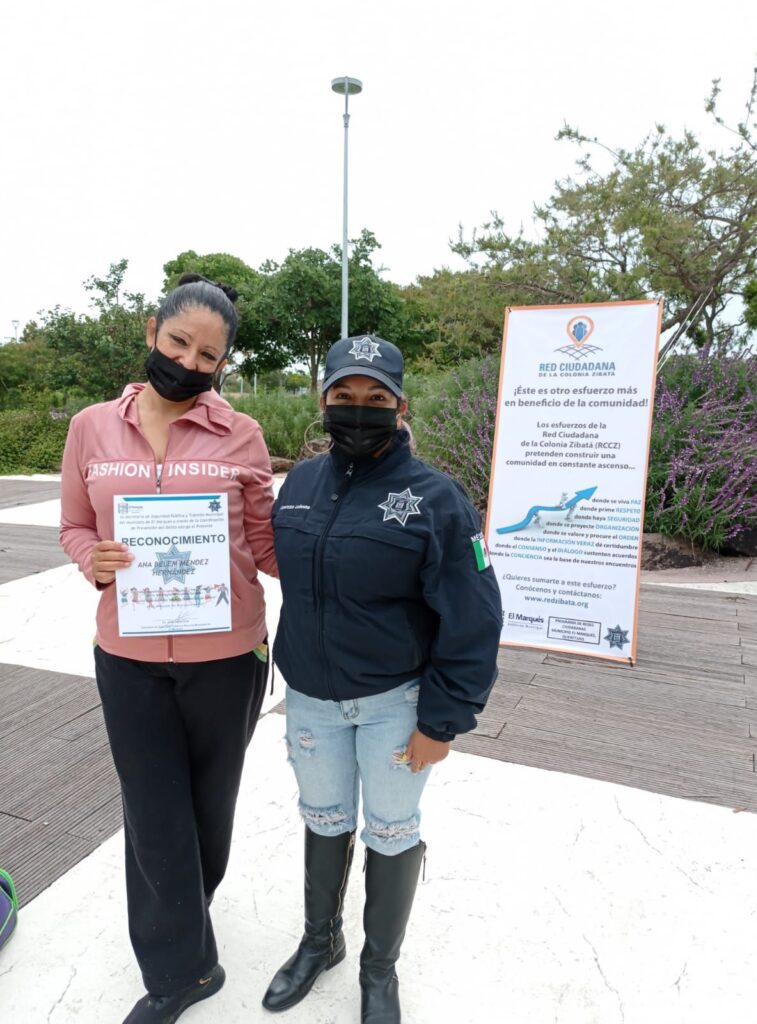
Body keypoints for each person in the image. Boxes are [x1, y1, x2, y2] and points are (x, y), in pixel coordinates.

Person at [263, 336, 503, 1023]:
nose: (358, 410)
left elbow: (474, 617)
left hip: (395, 705)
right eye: (344, 397)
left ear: (400, 406)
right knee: (324, 819)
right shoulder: (301, 484)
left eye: (375, 399)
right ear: (324, 401)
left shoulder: (436, 498)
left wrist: (442, 720)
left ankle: (379, 969)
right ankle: (320, 943)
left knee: (392, 829)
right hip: (310, 700)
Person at [59, 274, 278, 1024]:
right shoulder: (91, 426)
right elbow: (73, 526)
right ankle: (181, 971)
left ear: (223, 364)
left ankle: (188, 910)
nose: (188, 361)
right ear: (152, 332)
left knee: (208, 806)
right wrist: (94, 558)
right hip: (128, 654)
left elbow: (266, 547)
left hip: (228, 655)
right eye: (179, 342)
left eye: (208, 355)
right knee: (153, 808)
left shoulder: (242, 435)